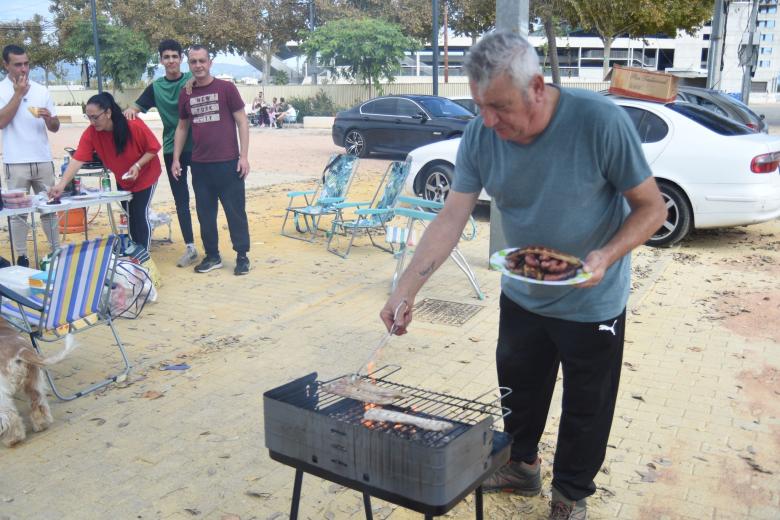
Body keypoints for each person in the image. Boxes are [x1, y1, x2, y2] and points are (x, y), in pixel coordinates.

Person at [379, 32, 666, 520]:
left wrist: (607, 255)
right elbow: (450, 219)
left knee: (586, 409)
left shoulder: (599, 123)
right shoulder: (480, 135)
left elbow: (652, 209)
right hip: (522, 295)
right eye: (479, 105)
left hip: (591, 300)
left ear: (536, 87)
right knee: (520, 394)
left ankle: (570, 496)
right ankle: (522, 466)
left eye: (499, 106)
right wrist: (404, 289)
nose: (488, 120)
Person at [172, 45, 251, 276]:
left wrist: (244, 157)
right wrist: (176, 158)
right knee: (205, 214)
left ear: (210, 62)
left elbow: (242, 122)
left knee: (235, 212)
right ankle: (213, 256)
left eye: (202, 61)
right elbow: (182, 126)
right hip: (200, 165)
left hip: (229, 163)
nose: (198, 65)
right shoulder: (186, 93)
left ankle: (242, 256)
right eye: (193, 62)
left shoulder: (226, 88)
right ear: (189, 65)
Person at [50, 93, 162, 251]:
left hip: (146, 175)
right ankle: (133, 250)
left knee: (139, 213)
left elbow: (153, 148)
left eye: (95, 117)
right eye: (88, 117)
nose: (92, 122)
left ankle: (143, 254)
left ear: (108, 113)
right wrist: (61, 185)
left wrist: (137, 165)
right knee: (129, 215)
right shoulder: (91, 133)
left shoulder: (132, 124)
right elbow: (77, 159)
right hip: (123, 178)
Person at [124, 39, 199, 268]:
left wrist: (195, 80)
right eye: (166, 57)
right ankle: (190, 247)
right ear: (161, 60)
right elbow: (133, 109)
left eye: (175, 56)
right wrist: (128, 112)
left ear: (181, 59)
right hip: (171, 149)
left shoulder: (192, 79)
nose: (171, 61)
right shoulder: (156, 87)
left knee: (204, 198)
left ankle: (210, 245)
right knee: (181, 200)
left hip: (198, 147)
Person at [0, 44, 60, 267]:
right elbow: (1, 122)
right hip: (16, 161)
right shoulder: (2, 90)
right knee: (18, 214)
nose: (23, 69)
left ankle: (56, 252)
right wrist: (18, 95)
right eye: (17, 64)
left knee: (49, 208)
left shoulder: (41, 90)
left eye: (26, 63)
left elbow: (55, 127)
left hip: (43, 158)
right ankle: (22, 257)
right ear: (6, 65)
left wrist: (48, 118)